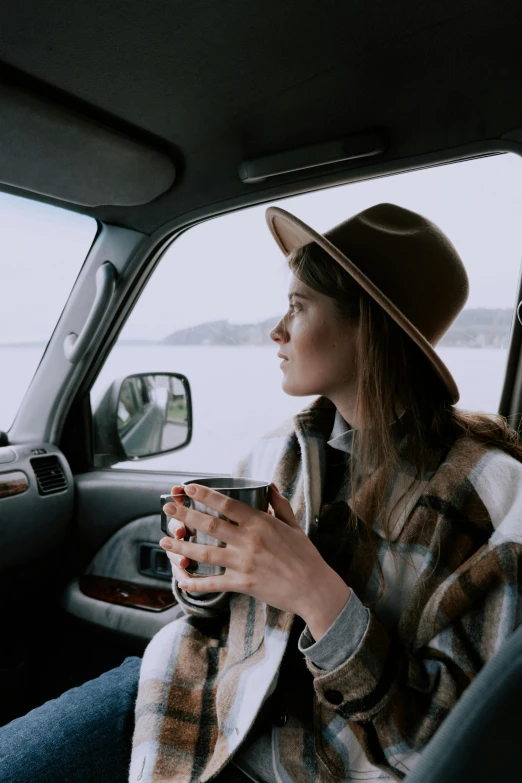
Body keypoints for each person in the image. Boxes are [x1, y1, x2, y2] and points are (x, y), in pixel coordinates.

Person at [2, 203, 522, 783]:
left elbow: (445, 750)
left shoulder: (491, 497)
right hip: (188, 697)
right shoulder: (279, 451)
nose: (275, 330)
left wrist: (321, 598)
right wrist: (199, 573)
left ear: (367, 327)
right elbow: (210, 619)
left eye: (298, 307)